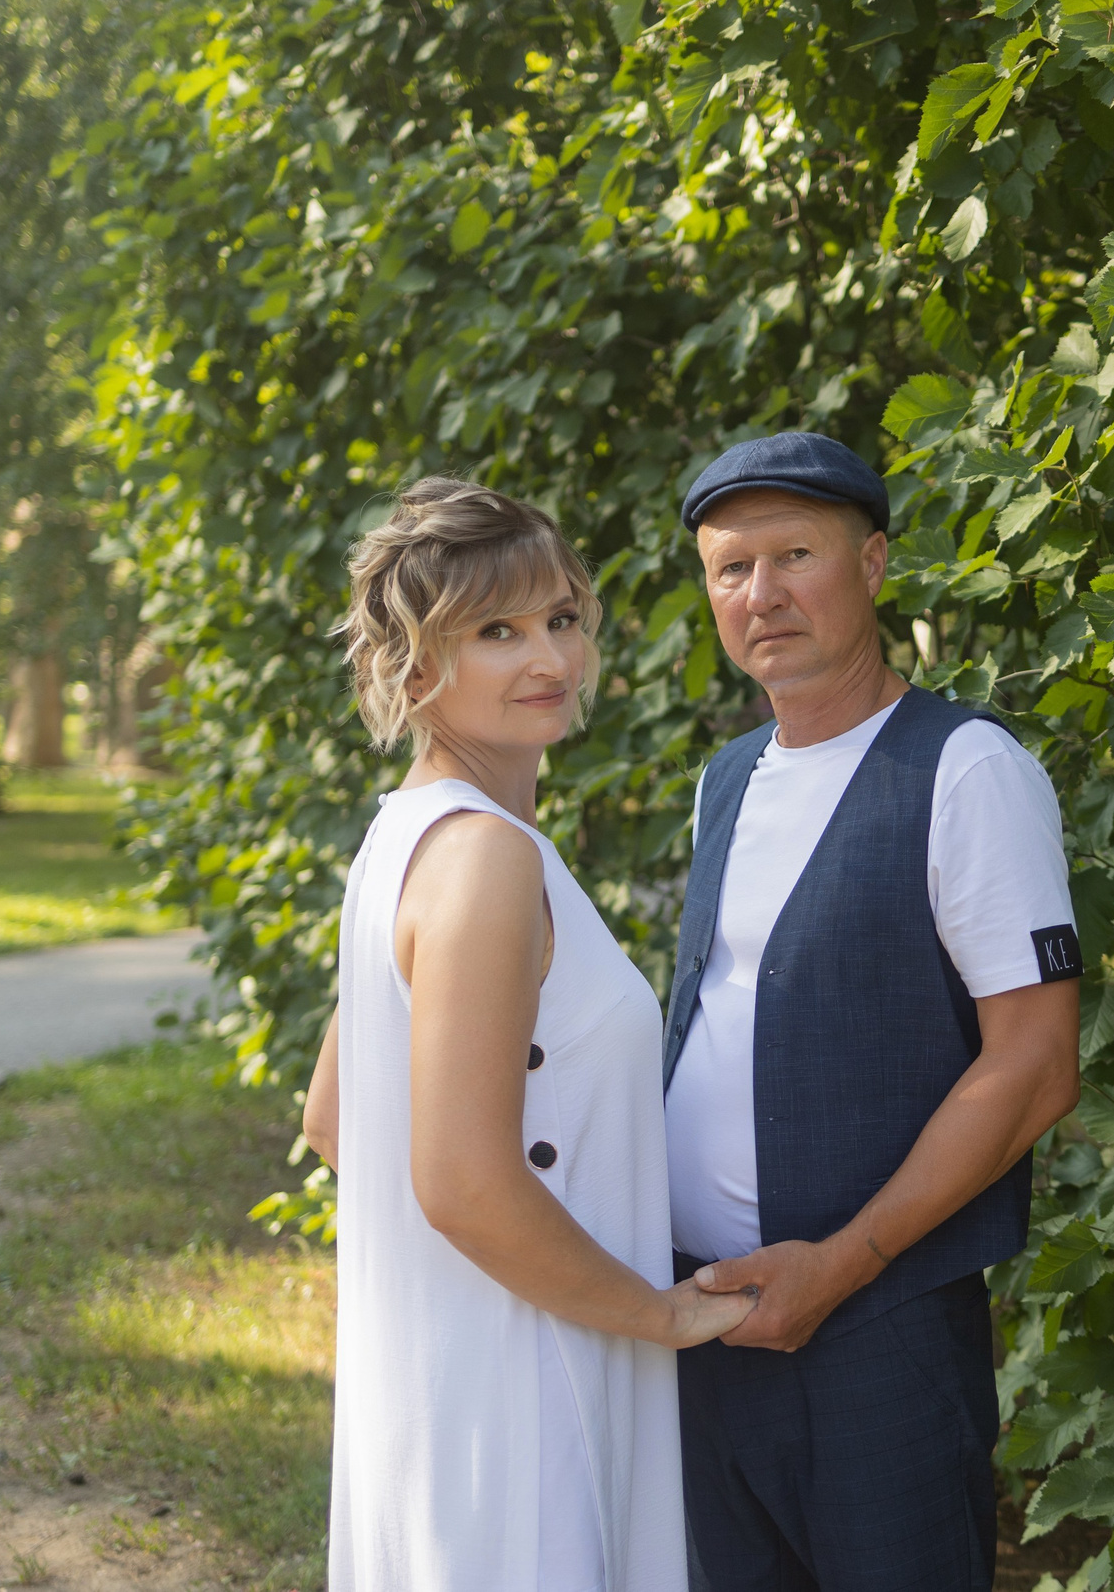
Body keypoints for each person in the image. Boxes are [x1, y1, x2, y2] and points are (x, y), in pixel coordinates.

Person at [304, 477, 752, 1592]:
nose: (545, 654)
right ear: (414, 667)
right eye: (494, 631)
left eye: (559, 617)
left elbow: (333, 1119)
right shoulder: (481, 860)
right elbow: (458, 1183)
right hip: (527, 1385)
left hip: (472, 1364)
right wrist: (652, 1314)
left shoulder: (409, 837)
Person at [664, 432, 1086, 1591]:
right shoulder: (727, 780)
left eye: (795, 554)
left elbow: (1037, 1065)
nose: (763, 594)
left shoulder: (965, 769)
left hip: (876, 1334)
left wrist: (841, 1264)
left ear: (875, 564)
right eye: (729, 568)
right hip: (706, 1331)